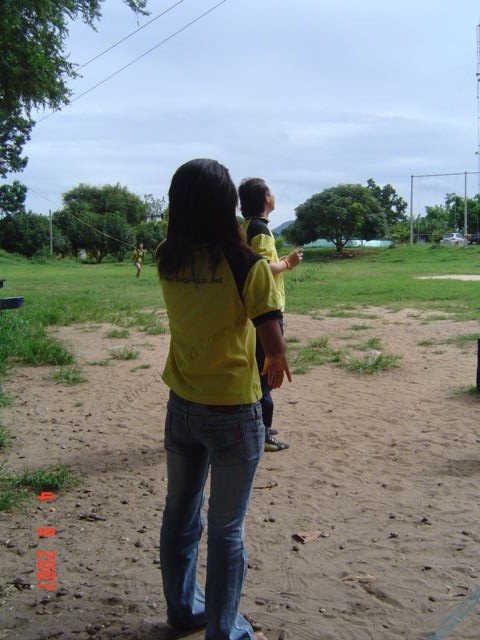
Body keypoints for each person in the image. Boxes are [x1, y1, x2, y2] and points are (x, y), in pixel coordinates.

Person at [156, 159, 291, 640]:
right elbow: (273, 342)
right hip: (233, 411)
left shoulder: (166, 258)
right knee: (227, 528)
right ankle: (223, 630)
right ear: (226, 204)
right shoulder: (247, 264)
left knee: (179, 512)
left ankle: (182, 610)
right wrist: (277, 360)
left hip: (182, 404)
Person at [239, 178, 303, 453]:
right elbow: (263, 267)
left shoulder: (245, 226)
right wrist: (288, 263)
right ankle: (262, 432)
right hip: (266, 308)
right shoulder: (261, 229)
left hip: (252, 308)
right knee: (266, 371)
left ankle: (257, 424)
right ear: (266, 199)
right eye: (272, 192)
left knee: (257, 368)